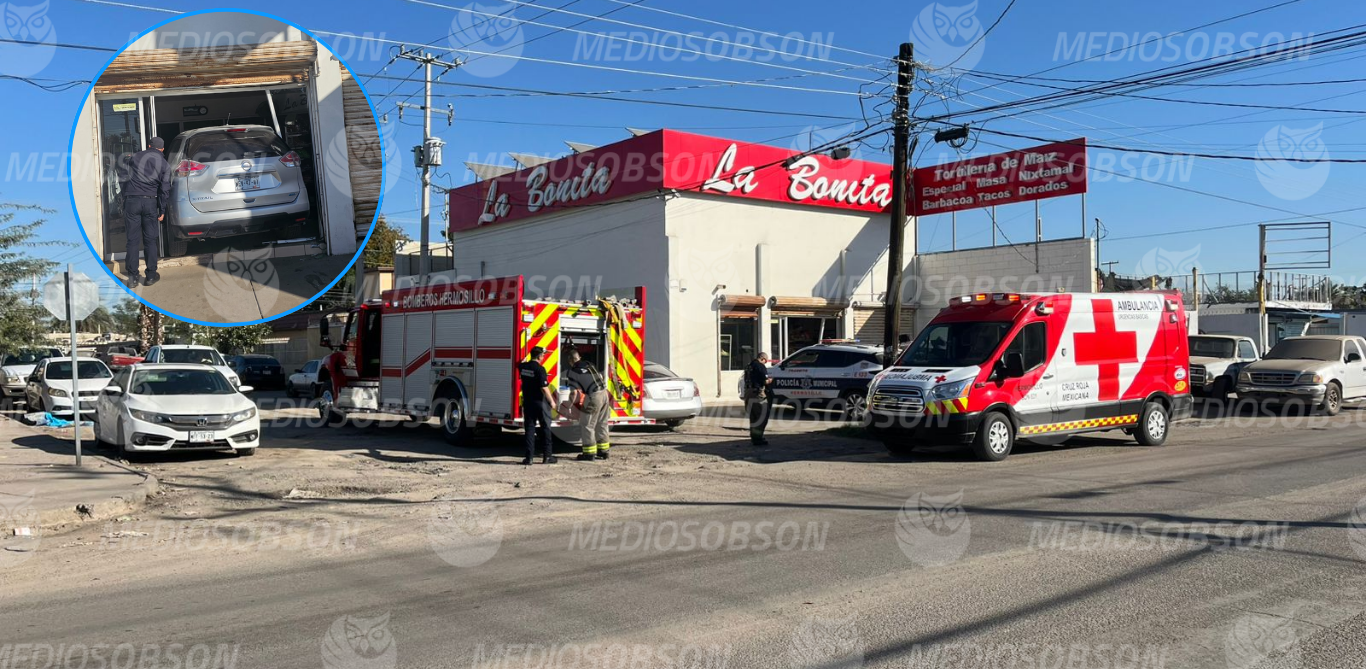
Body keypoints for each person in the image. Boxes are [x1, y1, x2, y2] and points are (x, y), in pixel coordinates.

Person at [116, 137, 172, 288]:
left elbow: (121, 174)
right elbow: (164, 189)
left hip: (132, 202)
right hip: (150, 202)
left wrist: (125, 193)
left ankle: (133, 278)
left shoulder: (134, 157)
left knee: (132, 240)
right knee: (150, 240)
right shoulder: (165, 164)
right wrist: (162, 209)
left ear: (148, 146)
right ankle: (151, 276)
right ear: (162, 149)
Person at [563, 348, 611, 461]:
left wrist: (567, 407)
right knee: (602, 423)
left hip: (593, 397)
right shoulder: (589, 364)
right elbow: (601, 376)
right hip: (604, 394)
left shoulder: (572, 372)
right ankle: (604, 451)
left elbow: (574, 392)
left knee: (587, 424)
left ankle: (589, 454)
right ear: (579, 357)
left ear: (570, 361)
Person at [517, 346, 558, 465]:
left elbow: (520, 363)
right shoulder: (540, 369)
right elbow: (544, 388)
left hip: (528, 403)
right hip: (541, 404)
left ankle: (529, 458)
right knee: (546, 429)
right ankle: (547, 457)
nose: (544, 357)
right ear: (539, 356)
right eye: (543, 355)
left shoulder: (523, 367)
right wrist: (552, 402)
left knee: (529, 429)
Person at [744, 352, 774, 445]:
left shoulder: (748, 366)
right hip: (757, 393)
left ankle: (754, 437)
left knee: (753, 416)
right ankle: (758, 438)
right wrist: (770, 381)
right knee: (763, 415)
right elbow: (765, 381)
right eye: (766, 361)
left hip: (748, 392)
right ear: (763, 359)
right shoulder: (760, 366)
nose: (765, 363)